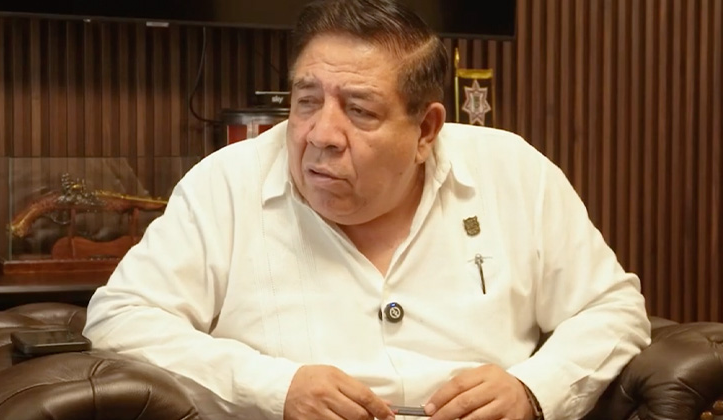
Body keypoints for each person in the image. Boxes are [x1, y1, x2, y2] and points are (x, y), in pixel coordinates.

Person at [83, 1, 650, 419]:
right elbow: (121, 319)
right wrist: (274, 389)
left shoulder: (512, 172)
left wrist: (534, 390)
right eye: (306, 102)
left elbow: (612, 308)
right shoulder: (227, 183)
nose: (320, 135)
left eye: (359, 110)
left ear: (426, 130)